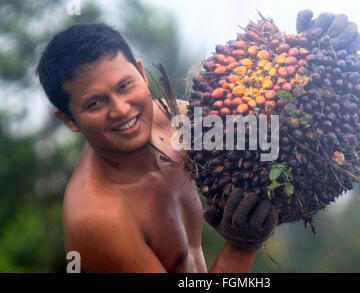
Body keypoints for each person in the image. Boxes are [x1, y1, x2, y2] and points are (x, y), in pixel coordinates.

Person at [36, 23, 278, 273]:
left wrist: (303, 62)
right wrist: (241, 247)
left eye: (124, 86)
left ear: (141, 73)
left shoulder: (171, 121)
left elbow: (257, 133)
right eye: (95, 103)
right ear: (68, 119)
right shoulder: (97, 217)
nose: (121, 109)